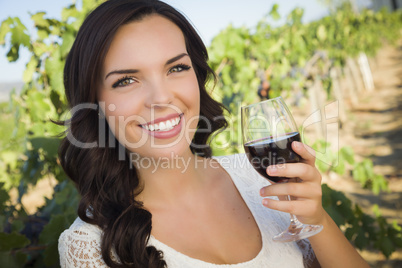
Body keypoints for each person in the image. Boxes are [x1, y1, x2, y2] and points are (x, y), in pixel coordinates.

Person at [57, 0, 369, 267]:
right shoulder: (88, 247)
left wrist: (317, 220)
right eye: (126, 80)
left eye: (176, 68)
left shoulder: (262, 178)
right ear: (94, 103)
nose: (162, 98)